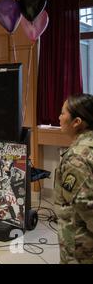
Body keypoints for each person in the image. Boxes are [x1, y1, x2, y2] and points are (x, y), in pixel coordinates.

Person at [55, 94, 93, 264]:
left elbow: (85, 204)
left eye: (63, 113)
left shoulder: (77, 157)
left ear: (76, 122)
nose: (59, 117)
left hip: (80, 242)